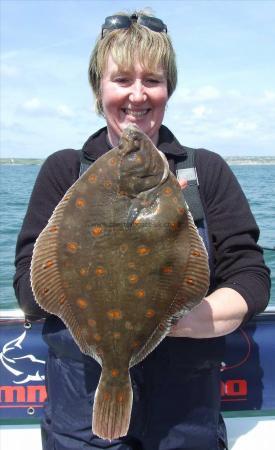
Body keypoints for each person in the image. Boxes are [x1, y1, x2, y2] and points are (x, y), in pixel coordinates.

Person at [14, 10, 270, 450]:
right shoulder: (63, 171)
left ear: (168, 89)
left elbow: (251, 279)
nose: (137, 94)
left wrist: (166, 321)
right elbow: (28, 288)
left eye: (152, 79)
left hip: (184, 419)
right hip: (81, 415)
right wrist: (114, 329)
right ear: (99, 88)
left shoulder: (204, 170)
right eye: (122, 80)